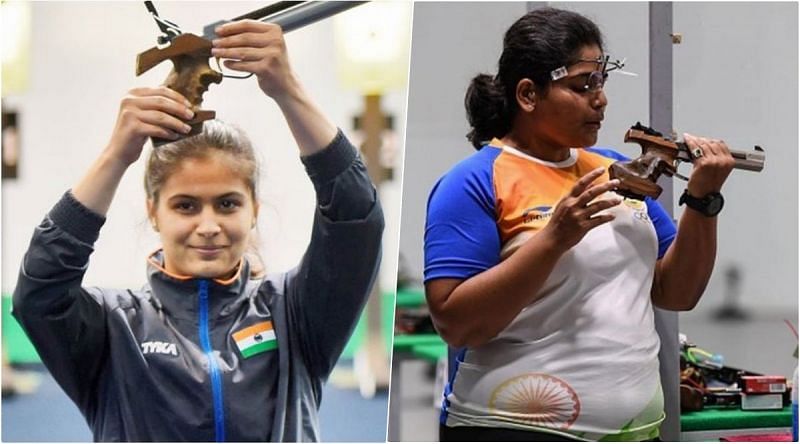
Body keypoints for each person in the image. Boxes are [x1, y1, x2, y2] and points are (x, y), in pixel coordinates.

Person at [12, 20, 383, 442]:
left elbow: (356, 218)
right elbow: (40, 292)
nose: (208, 226)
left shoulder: (296, 314)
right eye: (185, 206)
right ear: (154, 212)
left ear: (254, 210)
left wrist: (288, 89)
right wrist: (117, 155)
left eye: (227, 204)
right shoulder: (113, 328)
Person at [424, 7, 734, 442]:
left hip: (635, 433)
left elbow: (677, 291)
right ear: (528, 95)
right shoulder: (474, 181)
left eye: (601, 82)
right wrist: (555, 238)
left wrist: (702, 200)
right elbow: (456, 324)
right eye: (582, 85)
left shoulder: (614, 169)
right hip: (512, 431)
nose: (600, 98)